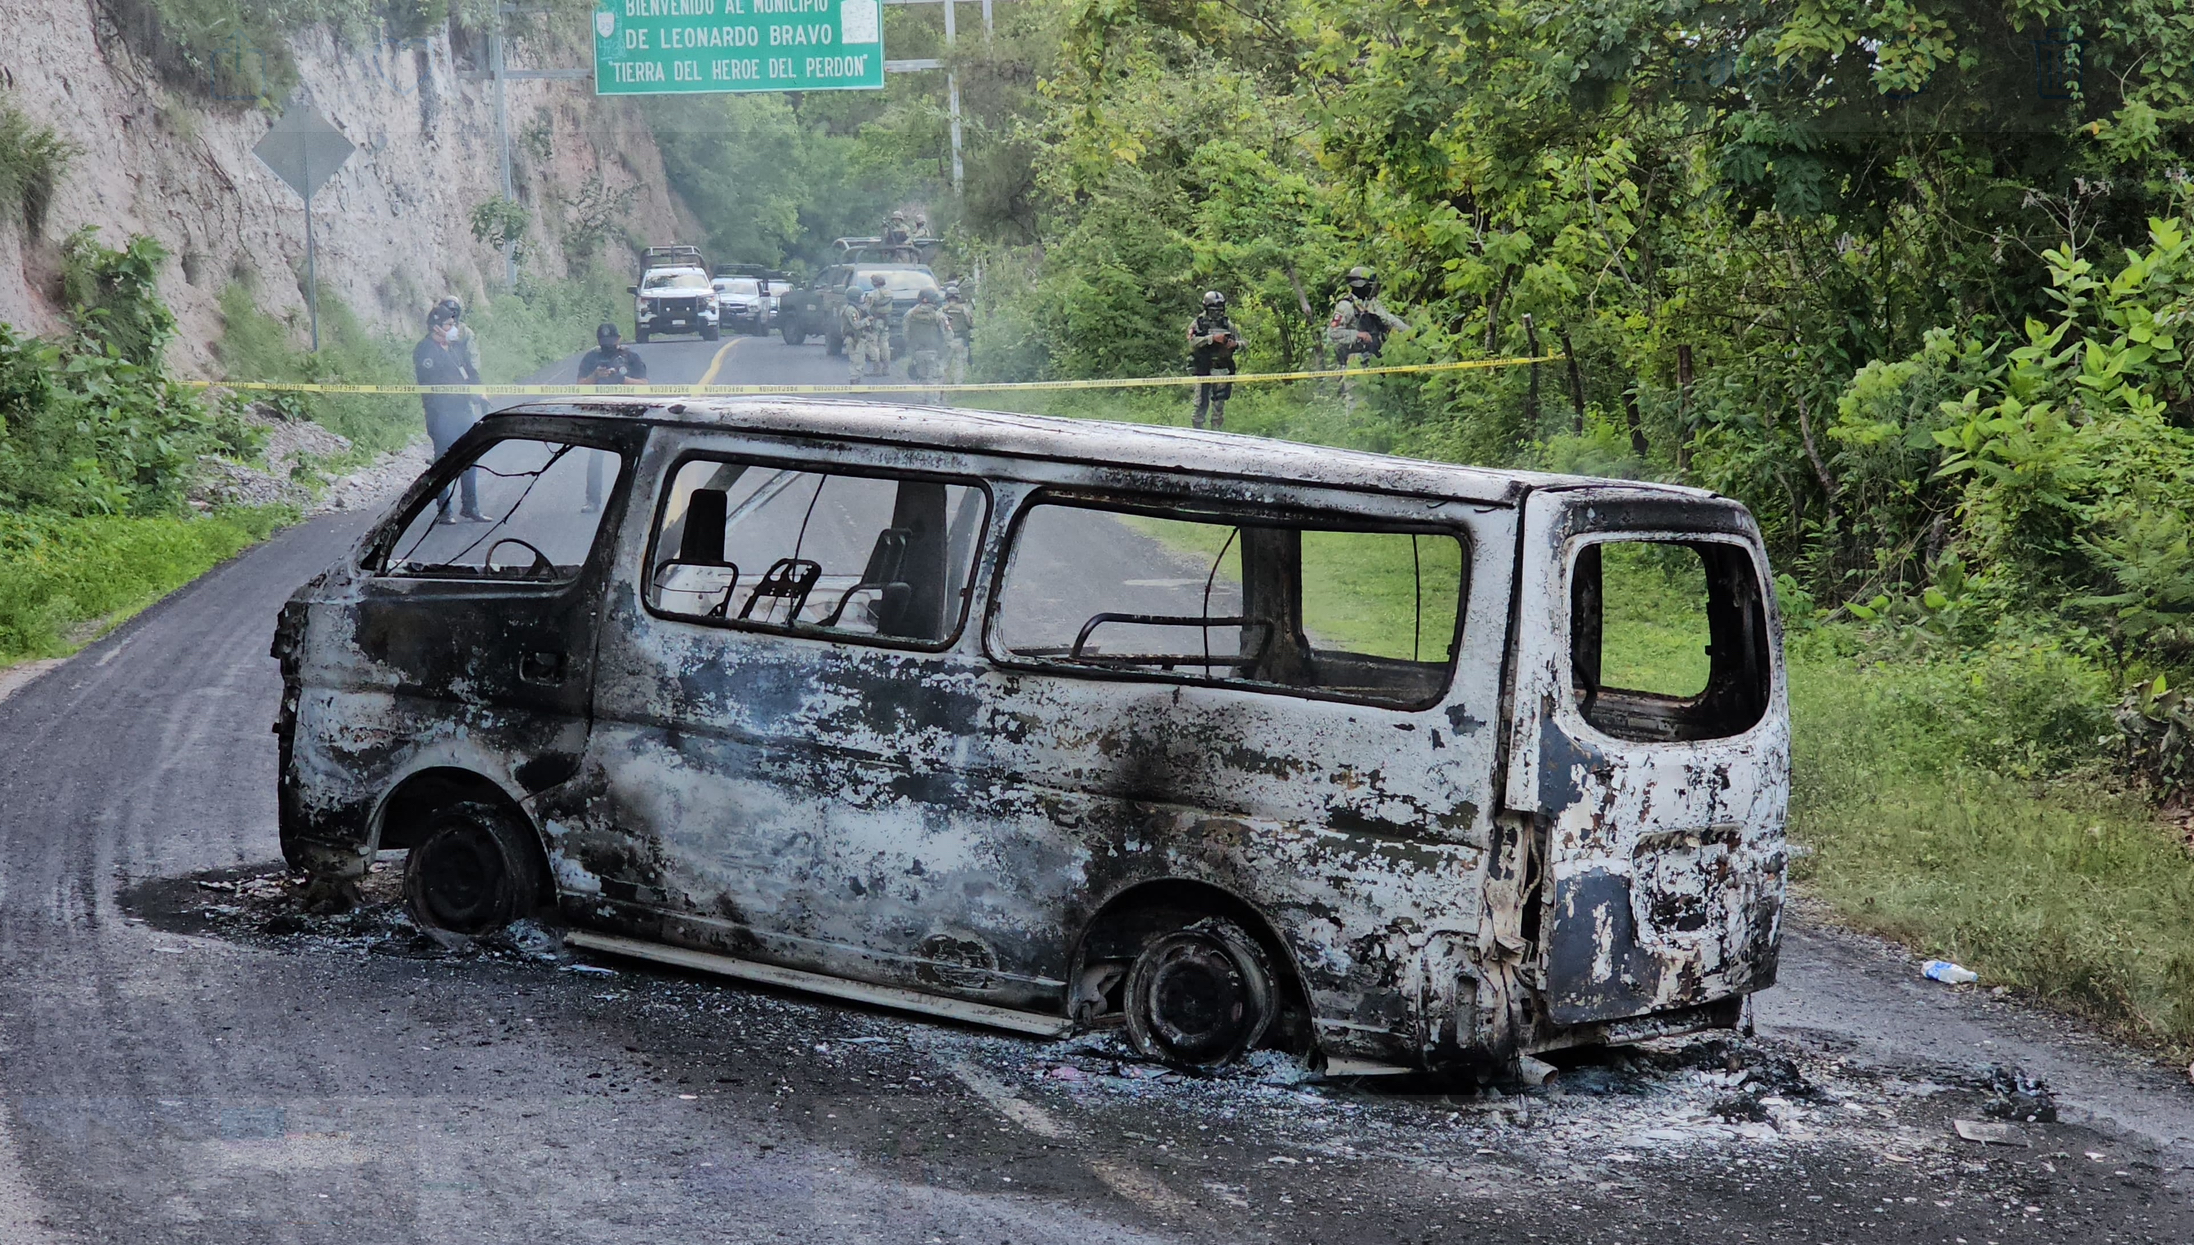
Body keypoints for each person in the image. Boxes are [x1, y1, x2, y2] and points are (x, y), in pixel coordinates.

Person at [413, 301, 482, 522]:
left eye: (453, 323)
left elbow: (471, 371)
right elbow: (432, 380)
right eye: (448, 324)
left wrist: (480, 391)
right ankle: (444, 510)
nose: (453, 327)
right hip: (440, 414)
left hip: (463, 409)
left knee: (471, 456)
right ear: (435, 327)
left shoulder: (456, 347)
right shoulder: (425, 350)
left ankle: (470, 506)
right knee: (444, 460)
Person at [576, 322, 648, 511]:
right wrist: (595, 376)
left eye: (611, 340)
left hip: (627, 413)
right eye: (603, 341)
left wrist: (622, 380)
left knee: (633, 456)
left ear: (619, 338)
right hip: (600, 412)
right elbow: (579, 386)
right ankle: (592, 500)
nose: (608, 344)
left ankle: (634, 501)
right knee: (596, 457)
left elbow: (645, 386)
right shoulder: (591, 357)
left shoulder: (631, 357)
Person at [1326, 266, 1410, 364]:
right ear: (1360, 286)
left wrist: (1409, 331)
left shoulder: (1371, 303)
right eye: (1369, 286)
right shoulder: (1346, 306)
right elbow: (1333, 333)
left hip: (1375, 356)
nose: (1372, 289)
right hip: (1354, 360)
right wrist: (1357, 335)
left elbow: (1389, 319)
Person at [1186, 289, 1238, 431]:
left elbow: (1244, 341)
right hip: (1203, 368)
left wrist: (1235, 344)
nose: (1218, 313)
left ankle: (1216, 434)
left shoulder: (1228, 325)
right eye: (1214, 310)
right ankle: (1198, 433)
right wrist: (1211, 339)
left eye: (1220, 310)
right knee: (1200, 404)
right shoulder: (1198, 324)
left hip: (1222, 369)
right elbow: (1192, 343)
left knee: (1219, 405)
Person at [902, 287, 950, 383]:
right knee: (933, 379)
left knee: (922, 378)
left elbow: (905, 333)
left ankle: (924, 397)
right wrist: (943, 348)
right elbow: (948, 335)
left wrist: (911, 348)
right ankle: (932, 398)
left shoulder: (910, 314)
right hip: (934, 351)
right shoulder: (939, 315)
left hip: (917, 351)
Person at [853, 272, 894, 379]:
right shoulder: (890, 292)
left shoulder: (872, 294)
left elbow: (866, 307)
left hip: (875, 321)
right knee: (885, 345)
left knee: (873, 345)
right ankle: (887, 368)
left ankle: (877, 369)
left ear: (874, 283)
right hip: (885, 321)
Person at [941, 281, 975, 385]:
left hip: (946, 342)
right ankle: (958, 387)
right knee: (960, 365)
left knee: (944, 365)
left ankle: (941, 387)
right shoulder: (963, 309)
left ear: (947, 297)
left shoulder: (942, 310)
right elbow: (970, 323)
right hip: (960, 341)